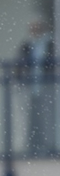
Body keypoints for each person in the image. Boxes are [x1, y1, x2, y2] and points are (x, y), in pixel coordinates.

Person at [15, 16, 56, 157]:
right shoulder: (26, 46)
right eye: (32, 28)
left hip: (47, 88)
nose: (35, 30)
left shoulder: (50, 45)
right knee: (30, 120)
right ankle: (30, 147)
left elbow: (52, 65)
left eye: (37, 27)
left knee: (47, 119)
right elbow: (18, 66)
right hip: (29, 89)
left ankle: (49, 147)